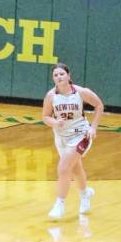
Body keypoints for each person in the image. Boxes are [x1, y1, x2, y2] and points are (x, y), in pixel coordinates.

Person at [42, 63, 104, 220]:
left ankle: (59, 204)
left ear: (68, 76)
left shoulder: (81, 92)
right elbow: (45, 117)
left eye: (61, 74)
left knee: (63, 168)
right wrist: (55, 122)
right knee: (75, 168)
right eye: (55, 75)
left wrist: (93, 127)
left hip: (81, 135)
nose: (59, 77)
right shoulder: (51, 96)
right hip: (61, 136)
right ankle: (85, 194)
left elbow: (99, 105)